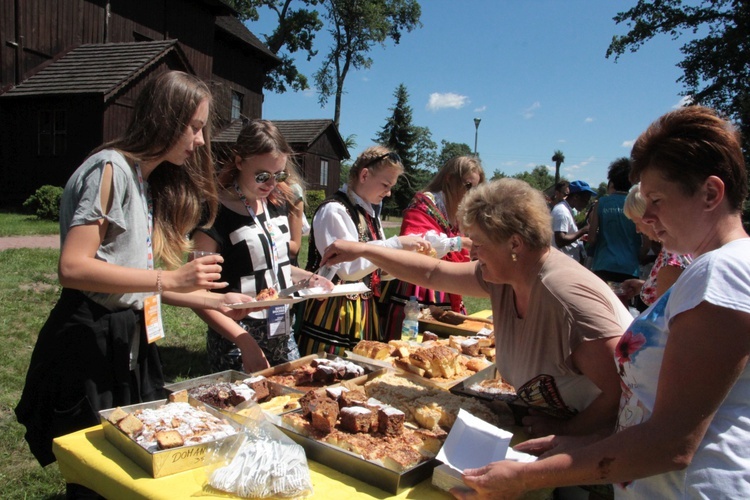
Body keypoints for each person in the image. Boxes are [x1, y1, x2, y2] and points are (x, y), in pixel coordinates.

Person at [448, 106, 750, 500]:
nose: (648, 215)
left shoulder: (721, 273)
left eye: (656, 199)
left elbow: (672, 443)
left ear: (711, 193)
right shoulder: (710, 270)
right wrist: (581, 445)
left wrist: (528, 477)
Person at [14, 71, 255, 487]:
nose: (199, 141)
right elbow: (72, 268)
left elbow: (130, 282)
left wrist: (209, 300)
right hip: (90, 340)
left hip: (125, 335)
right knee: (96, 472)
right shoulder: (109, 168)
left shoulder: (140, 178)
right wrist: (167, 279)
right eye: (195, 128)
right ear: (166, 118)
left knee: (129, 463)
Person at [322, 177, 632, 437]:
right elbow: (432, 272)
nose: (473, 252)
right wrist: (364, 250)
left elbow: (623, 391)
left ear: (514, 244)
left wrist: (567, 432)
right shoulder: (508, 274)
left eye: (479, 243)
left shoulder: (565, 297)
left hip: (606, 449)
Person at [191, 120, 333, 372]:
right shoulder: (214, 213)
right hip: (236, 336)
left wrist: (311, 279)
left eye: (279, 175)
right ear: (238, 162)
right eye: (262, 176)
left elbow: (278, 267)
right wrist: (244, 342)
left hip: (280, 328)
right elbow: (196, 295)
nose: (271, 184)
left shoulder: (277, 203)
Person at [296, 146, 427, 356]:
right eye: (385, 184)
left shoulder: (368, 213)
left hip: (364, 311)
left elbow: (376, 268)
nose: (389, 192)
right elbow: (348, 270)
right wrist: (396, 245)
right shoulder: (334, 210)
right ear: (364, 175)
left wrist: (405, 258)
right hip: (333, 313)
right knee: (329, 376)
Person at [379, 155, 485, 341]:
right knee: (414, 336)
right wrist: (458, 243)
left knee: (446, 338)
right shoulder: (424, 202)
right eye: (467, 186)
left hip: (445, 280)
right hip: (418, 282)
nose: (471, 193)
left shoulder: (458, 210)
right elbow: (418, 241)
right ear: (449, 179)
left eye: (475, 188)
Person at [620, 183, 692, 308]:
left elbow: (666, 316)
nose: (637, 230)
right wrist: (644, 287)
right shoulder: (680, 247)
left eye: (637, 223)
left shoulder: (671, 259)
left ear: (649, 219)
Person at [587, 158, 642, 284]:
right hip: (629, 268)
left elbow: (591, 238)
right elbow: (646, 244)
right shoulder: (636, 203)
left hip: (603, 264)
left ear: (612, 180)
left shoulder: (601, 203)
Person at [551, 179, 596, 263]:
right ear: (575, 197)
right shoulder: (562, 211)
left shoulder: (567, 210)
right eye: (585, 200)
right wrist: (583, 231)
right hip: (562, 263)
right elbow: (560, 240)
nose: (586, 204)